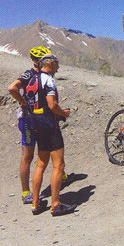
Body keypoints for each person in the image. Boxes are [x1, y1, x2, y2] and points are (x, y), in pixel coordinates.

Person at [8, 47, 73, 205]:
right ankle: (26, 192)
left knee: (44, 156)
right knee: (30, 156)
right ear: (37, 61)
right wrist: (23, 103)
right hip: (31, 120)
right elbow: (12, 88)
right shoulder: (30, 74)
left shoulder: (40, 76)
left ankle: (56, 178)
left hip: (36, 118)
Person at [29, 53, 76, 216]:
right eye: (56, 63)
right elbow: (52, 104)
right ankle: (56, 205)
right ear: (49, 64)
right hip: (49, 125)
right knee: (59, 165)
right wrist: (63, 113)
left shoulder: (33, 79)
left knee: (40, 164)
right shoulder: (48, 79)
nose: (58, 67)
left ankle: (35, 203)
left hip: (36, 124)